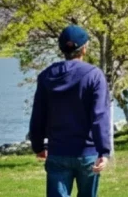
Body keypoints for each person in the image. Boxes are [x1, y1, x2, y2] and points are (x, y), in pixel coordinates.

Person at [30, 25, 111, 197]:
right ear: (84, 49)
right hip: (87, 153)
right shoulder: (94, 75)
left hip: (58, 152)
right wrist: (104, 151)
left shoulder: (46, 76)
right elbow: (99, 116)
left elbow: (38, 114)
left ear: (61, 49)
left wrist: (38, 145)